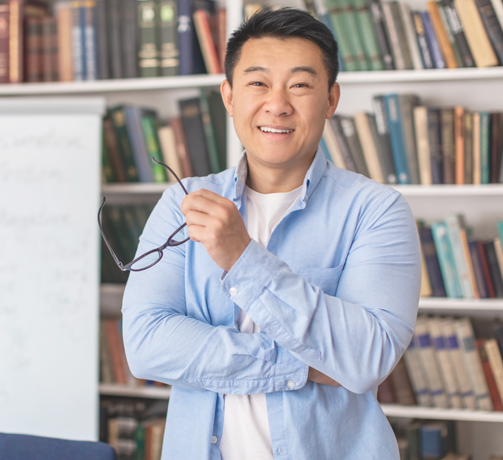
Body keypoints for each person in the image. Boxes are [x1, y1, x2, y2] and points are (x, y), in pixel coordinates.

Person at [120, 7, 421, 460]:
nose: (277, 103)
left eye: (300, 85)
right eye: (258, 83)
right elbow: (146, 347)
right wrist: (307, 362)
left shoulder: (376, 211)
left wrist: (242, 257)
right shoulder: (183, 204)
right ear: (229, 96)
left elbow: (367, 360)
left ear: (331, 99)